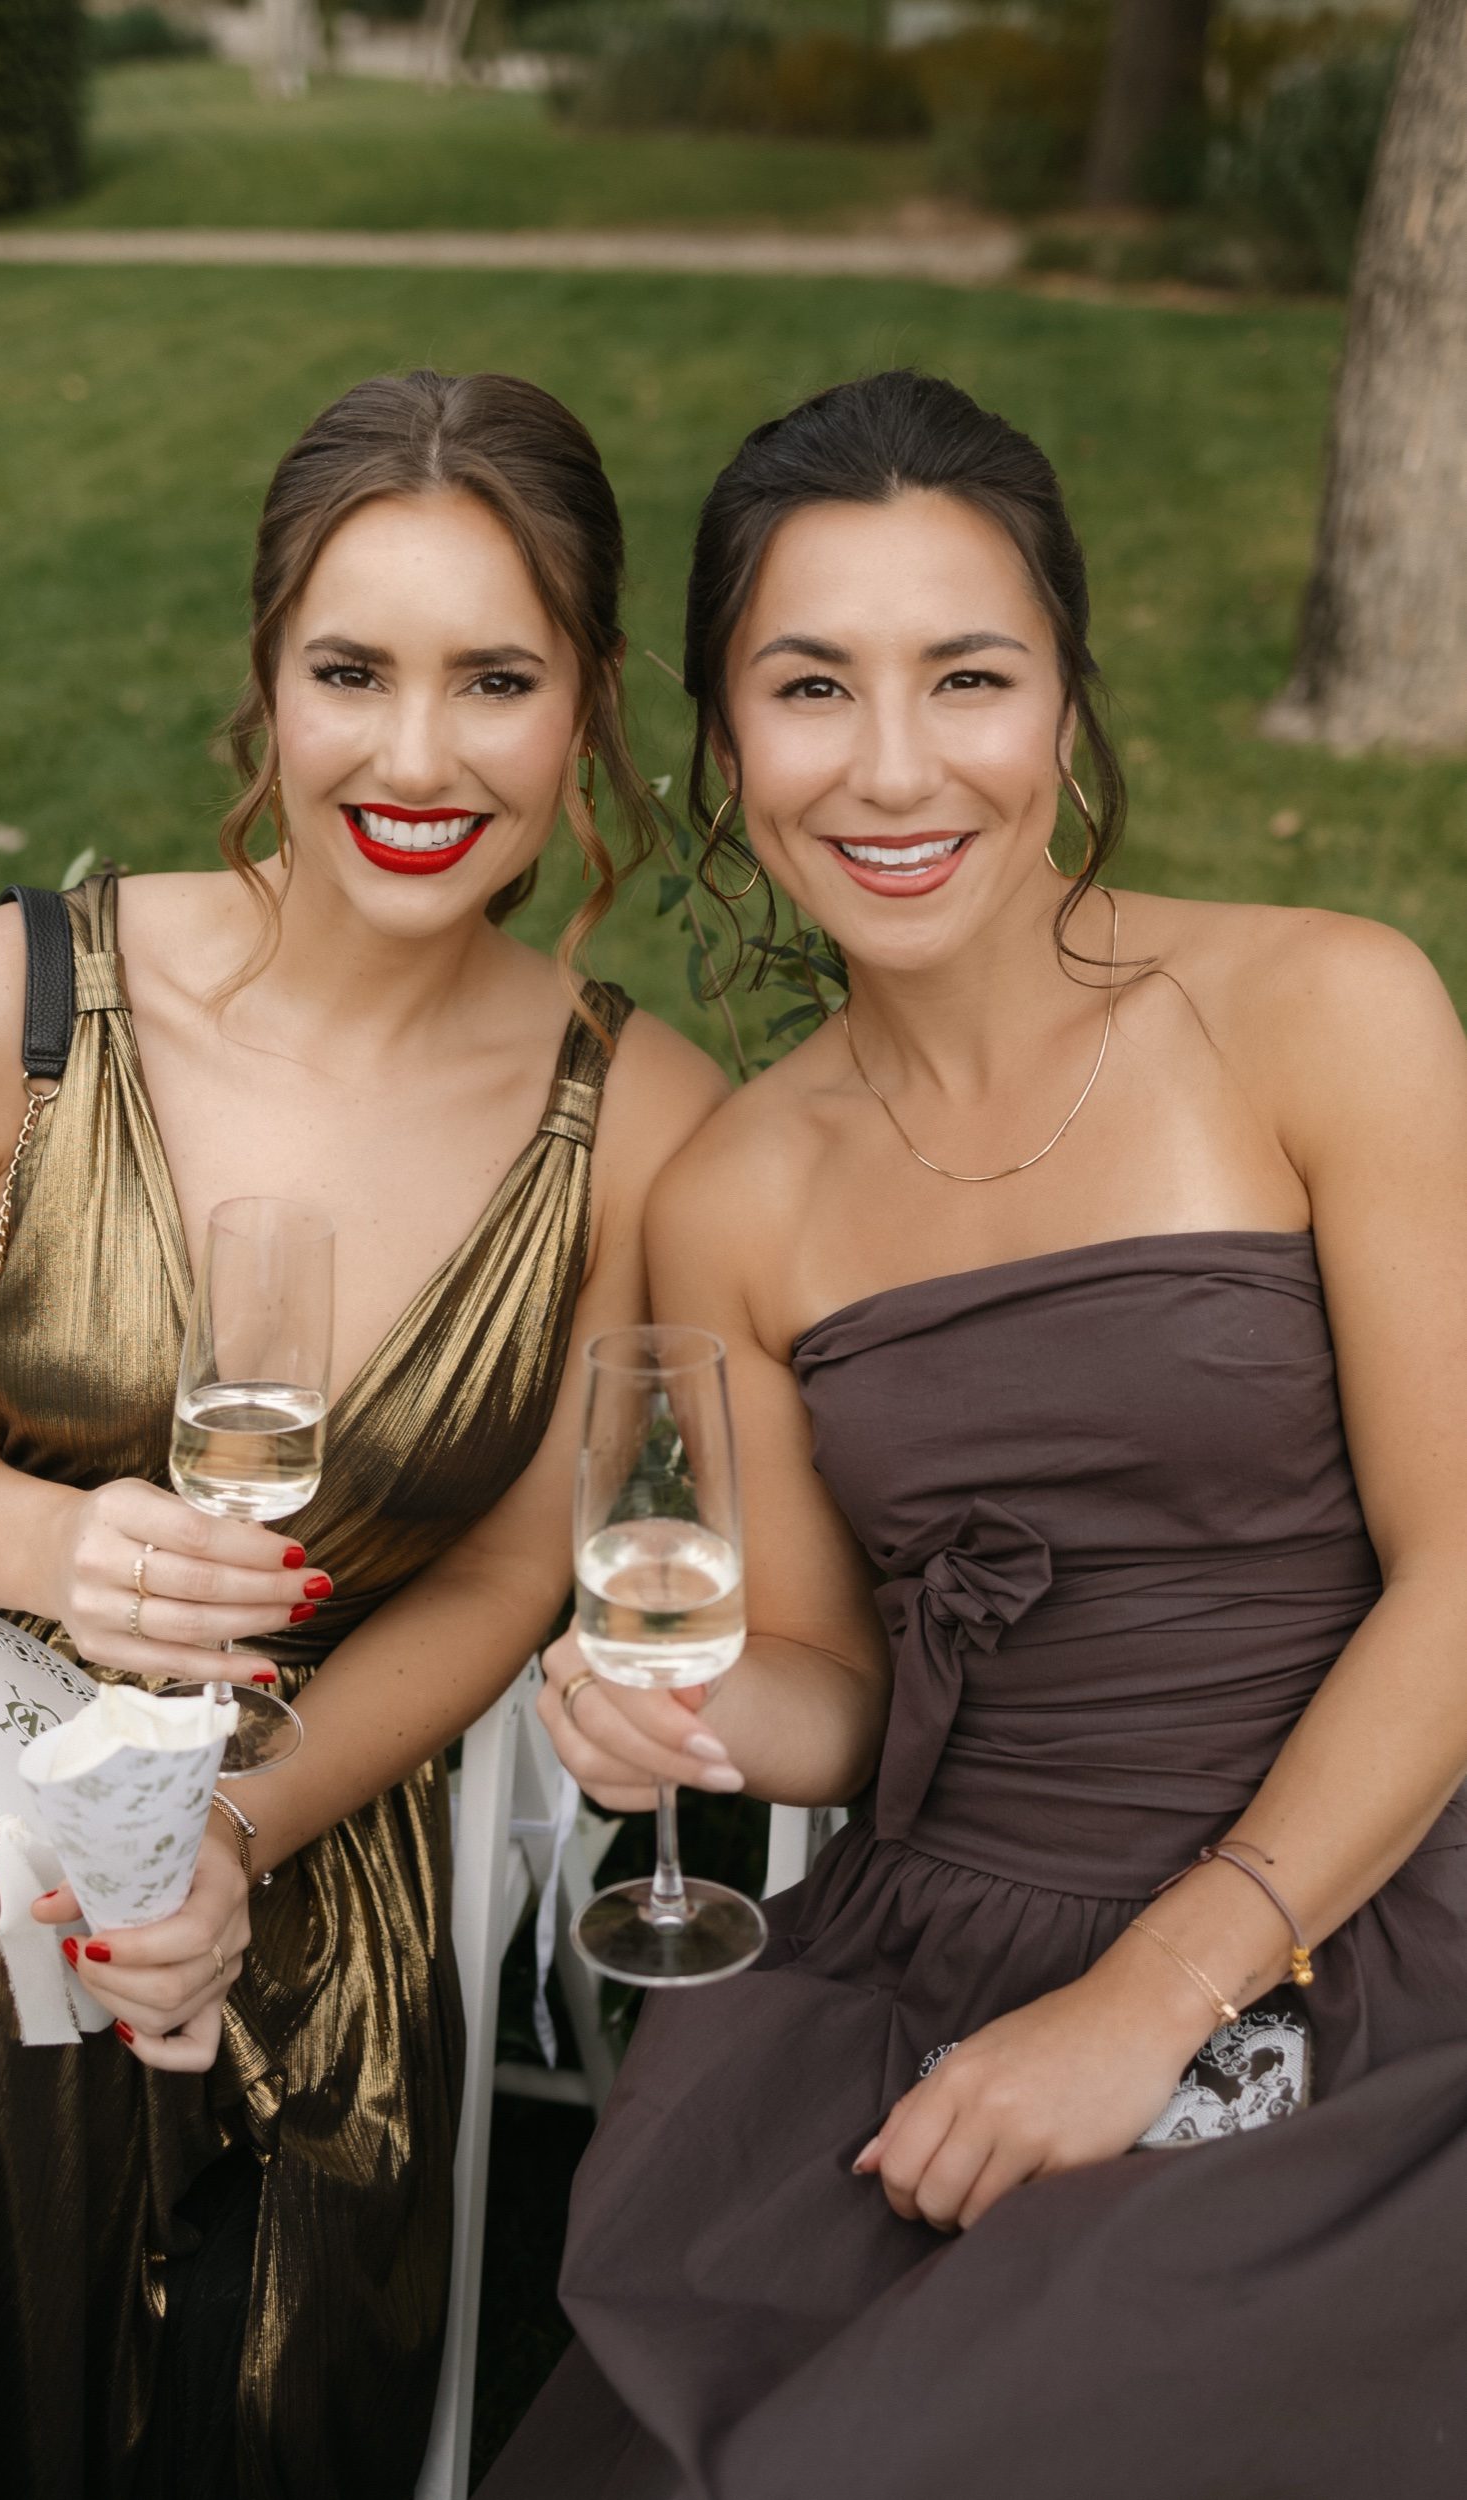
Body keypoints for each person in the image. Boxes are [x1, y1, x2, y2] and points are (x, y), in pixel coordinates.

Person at [483, 368, 1467, 2499]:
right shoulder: (732, 1189)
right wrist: (691, 1710)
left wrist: (1155, 1995)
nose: (895, 765)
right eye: (810, 686)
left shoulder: (1322, 1010)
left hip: (1367, 1913)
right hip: (950, 1942)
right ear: (724, 741)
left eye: (968, 675)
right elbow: (843, 1691)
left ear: (1064, 707)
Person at [0, 368, 725, 2500]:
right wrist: (54, 1548)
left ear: (587, 703)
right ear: (266, 688)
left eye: (493, 677)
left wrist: (234, 1828)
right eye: (350, 671)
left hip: (277, 1866)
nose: (414, 756)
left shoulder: (636, 1116)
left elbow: (512, 1566)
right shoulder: (11, 1004)